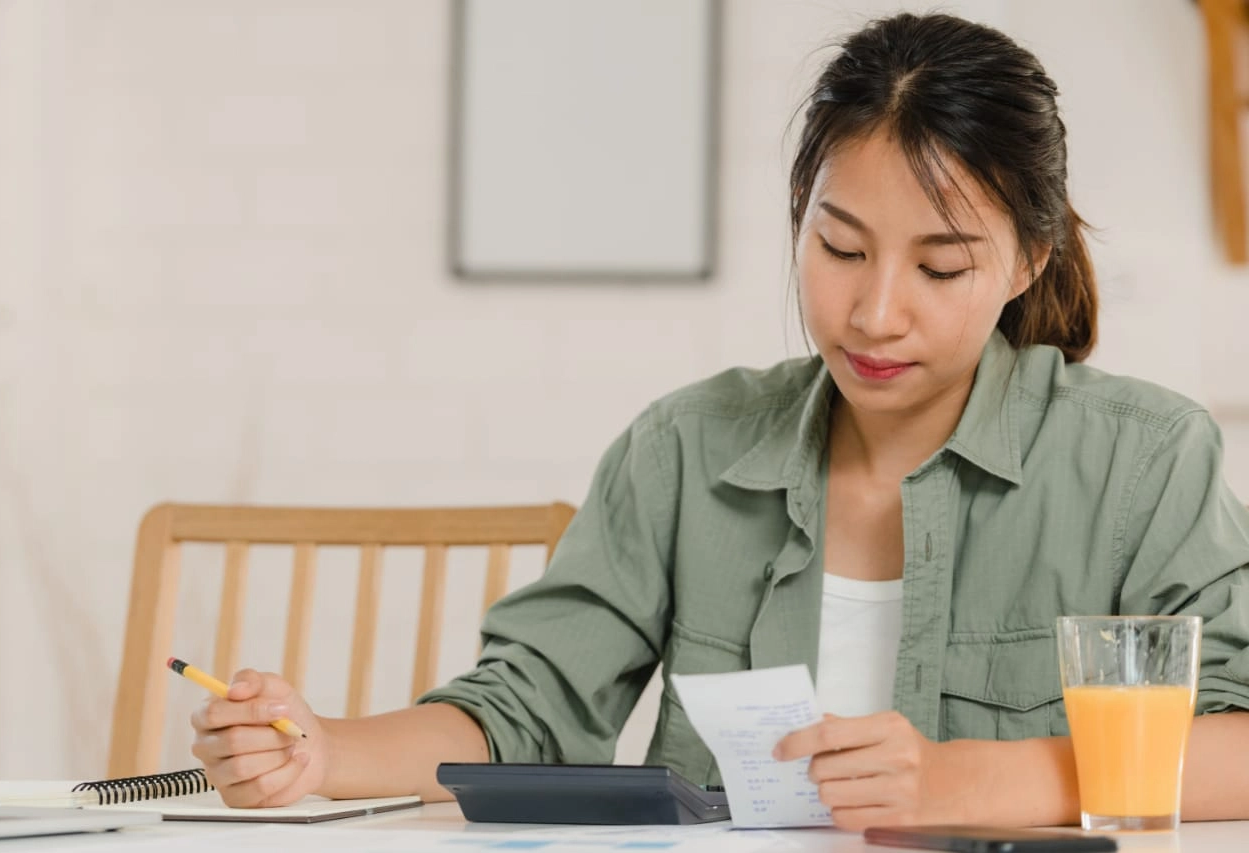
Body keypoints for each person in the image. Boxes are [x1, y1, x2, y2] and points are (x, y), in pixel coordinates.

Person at [188, 12, 1249, 829]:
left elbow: (1236, 742)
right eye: (838, 249)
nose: (875, 311)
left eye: (938, 265)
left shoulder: (1141, 460)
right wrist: (321, 752)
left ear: (1026, 260)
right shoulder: (688, 450)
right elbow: (525, 708)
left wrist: (958, 779)